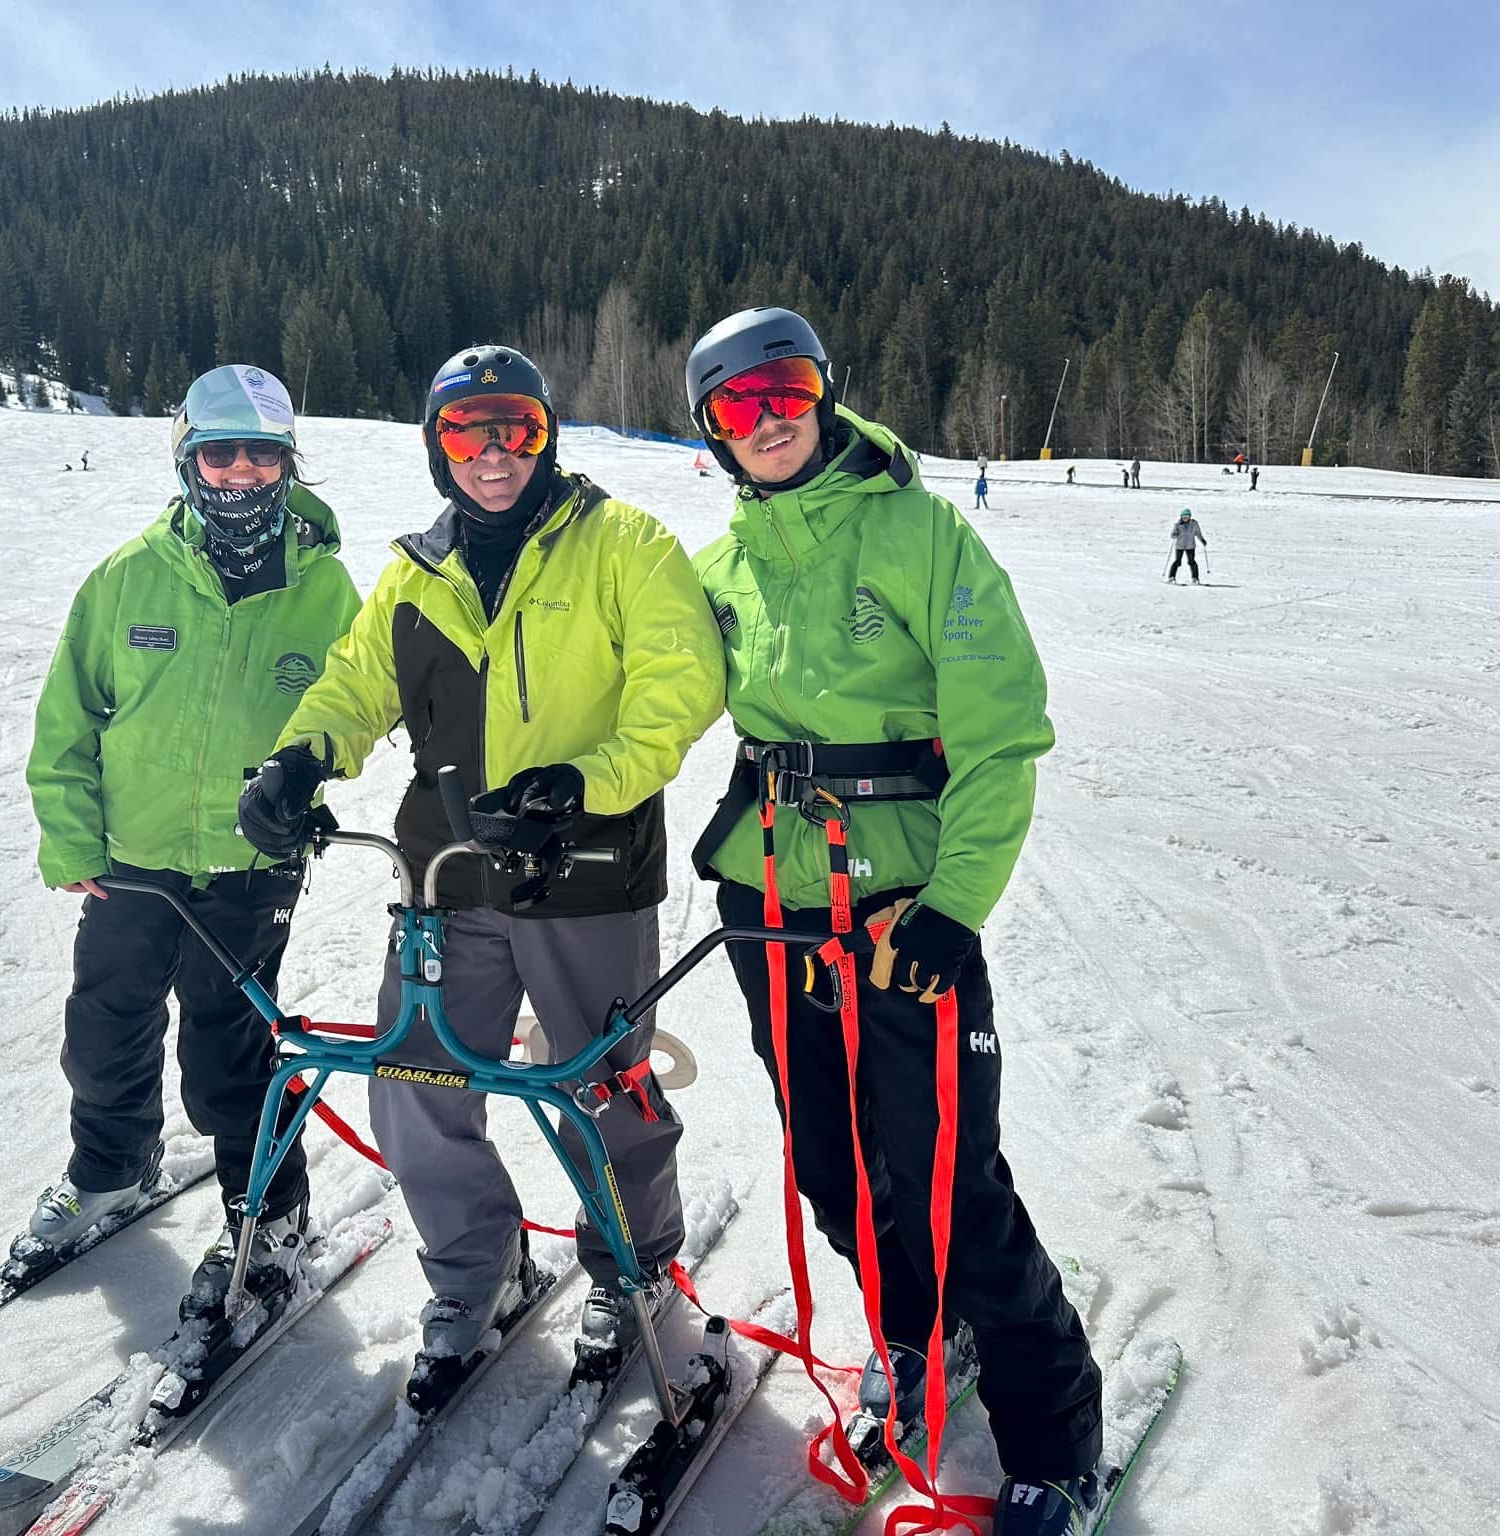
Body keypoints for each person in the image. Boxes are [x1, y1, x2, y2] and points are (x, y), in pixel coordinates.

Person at [237, 343, 723, 1411]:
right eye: (466, 433)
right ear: (436, 447)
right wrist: (298, 759)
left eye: (517, 429)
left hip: (583, 865)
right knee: (412, 1080)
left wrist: (585, 783)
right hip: (446, 877)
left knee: (604, 1087)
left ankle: (631, 1266)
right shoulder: (415, 572)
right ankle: (477, 1269)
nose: (493, 454)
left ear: (546, 436)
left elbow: (679, 686)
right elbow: (353, 684)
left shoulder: (623, 545)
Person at [683, 307, 1103, 1536]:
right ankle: (920, 1336)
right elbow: (645, 691)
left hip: (899, 907)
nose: (768, 418)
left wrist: (952, 907)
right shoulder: (717, 570)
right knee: (830, 1164)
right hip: (773, 902)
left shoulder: (922, 533)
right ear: (711, 430)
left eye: (785, 388)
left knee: (943, 1182)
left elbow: (1000, 733)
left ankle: (1054, 1436)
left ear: (823, 391)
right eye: (737, 404)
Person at [24, 364, 361, 1315]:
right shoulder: (128, 578)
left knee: (231, 1055)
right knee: (105, 1028)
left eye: (263, 455)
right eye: (221, 454)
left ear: (288, 465)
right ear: (188, 461)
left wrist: (312, 781)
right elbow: (68, 721)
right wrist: (72, 843)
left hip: (250, 867)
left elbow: (357, 711)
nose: (242, 472)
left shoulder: (325, 590)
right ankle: (111, 1168)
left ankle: (273, 1214)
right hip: (132, 861)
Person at [1168, 508, 1207, 584]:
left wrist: (1202, 540)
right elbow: (1172, 535)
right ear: (1181, 517)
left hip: (1190, 546)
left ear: (1190, 516)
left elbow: (1198, 533)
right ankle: (1171, 577)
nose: (1185, 518)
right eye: (1184, 517)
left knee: (1192, 562)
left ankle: (1195, 578)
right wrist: (1175, 534)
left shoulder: (1194, 524)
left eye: (1187, 516)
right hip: (1180, 546)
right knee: (1177, 562)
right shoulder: (1178, 525)